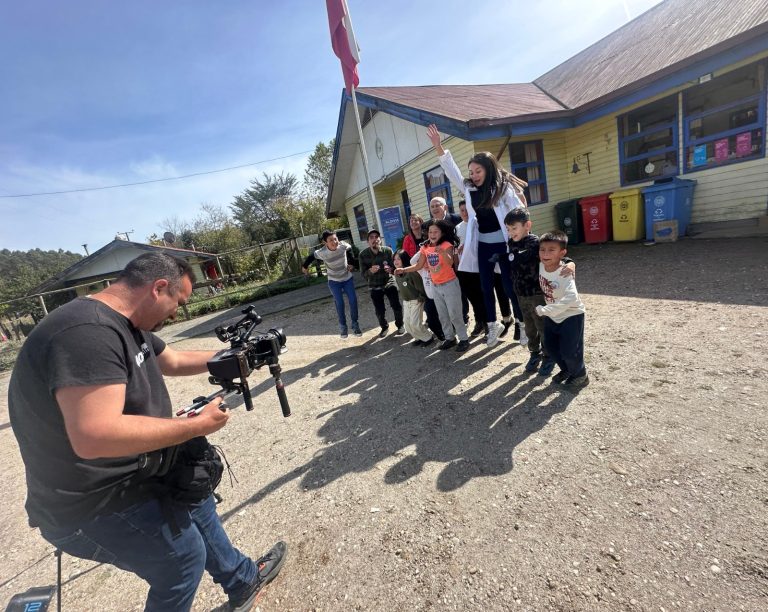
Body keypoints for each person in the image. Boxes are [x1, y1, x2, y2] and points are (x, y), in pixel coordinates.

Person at [8, 253, 286, 612]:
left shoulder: (127, 321)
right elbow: (94, 436)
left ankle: (241, 580)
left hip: (136, 471)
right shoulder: (85, 333)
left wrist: (239, 356)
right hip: (91, 501)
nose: (176, 314)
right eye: (178, 303)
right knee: (181, 560)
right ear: (158, 288)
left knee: (194, 494)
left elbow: (172, 360)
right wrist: (194, 426)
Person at [426, 123, 526, 349]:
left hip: (503, 244)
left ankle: (522, 324)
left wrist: (523, 232)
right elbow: (451, 171)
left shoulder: (502, 188)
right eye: (471, 172)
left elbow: (519, 211)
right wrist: (438, 147)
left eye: (478, 171)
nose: (473, 175)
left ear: (488, 169)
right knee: (485, 287)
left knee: (509, 287)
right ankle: (492, 326)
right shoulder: (470, 189)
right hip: (483, 246)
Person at [505, 208, 575, 377]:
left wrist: (570, 263)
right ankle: (534, 353)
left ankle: (549, 356)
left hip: (537, 294)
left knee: (542, 326)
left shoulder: (535, 243)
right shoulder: (511, 243)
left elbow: (555, 257)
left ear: (527, 225)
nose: (511, 232)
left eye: (514, 228)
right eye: (508, 229)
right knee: (529, 328)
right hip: (521, 294)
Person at [396, 219, 469, 353]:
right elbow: (419, 265)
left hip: (450, 284)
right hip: (435, 286)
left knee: (455, 314)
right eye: (430, 232)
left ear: (442, 233)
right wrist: (404, 270)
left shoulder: (447, 244)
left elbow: (450, 263)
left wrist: (442, 252)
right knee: (442, 315)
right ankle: (450, 338)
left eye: (436, 232)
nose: (432, 234)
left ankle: (464, 339)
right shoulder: (425, 247)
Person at [535, 231, 589, 390]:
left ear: (562, 253)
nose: (545, 254)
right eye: (542, 249)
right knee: (551, 348)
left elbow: (572, 298)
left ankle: (581, 375)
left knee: (569, 351)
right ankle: (567, 370)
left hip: (571, 314)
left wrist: (545, 309)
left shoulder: (565, 272)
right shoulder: (540, 265)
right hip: (552, 315)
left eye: (551, 250)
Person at [302, 229, 361, 338]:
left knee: (353, 300)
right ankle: (343, 326)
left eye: (335, 239)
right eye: (331, 240)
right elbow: (311, 257)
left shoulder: (343, 246)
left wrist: (351, 264)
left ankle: (355, 324)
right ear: (325, 242)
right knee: (340, 303)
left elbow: (350, 252)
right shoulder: (322, 252)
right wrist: (304, 266)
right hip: (334, 281)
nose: (334, 242)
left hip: (347, 279)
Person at [358, 229, 405, 338]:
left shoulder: (387, 251)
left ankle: (400, 325)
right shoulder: (363, 254)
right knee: (379, 310)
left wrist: (391, 269)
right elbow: (363, 274)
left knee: (396, 305)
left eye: (376, 237)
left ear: (380, 240)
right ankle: (384, 327)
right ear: (368, 241)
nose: (374, 239)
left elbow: (395, 266)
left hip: (388, 281)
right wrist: (370, 271)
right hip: (374, 285)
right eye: (371, 237)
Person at [455, 200, 487, 337]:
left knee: (482, 296)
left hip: (478, 267)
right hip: (463, 268)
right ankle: (479, 322)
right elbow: (455, 247)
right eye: (462, 210)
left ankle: (488, 323)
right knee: (472, 298)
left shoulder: (478, 224)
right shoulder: (457, 228)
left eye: (467, 209)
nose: (465, 212)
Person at [392, 249, 434, 347]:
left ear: (404, 259)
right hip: (406, 301)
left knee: (415, 323)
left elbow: (420, 286)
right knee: (407, 324)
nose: (396, 261)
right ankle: (419, 337)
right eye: (394, 259)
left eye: (398, 259)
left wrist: (421, 298)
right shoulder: (396, 273)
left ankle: (428, 337)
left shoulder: (411, 272)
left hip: (416, 300)